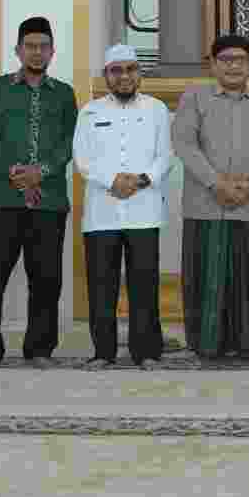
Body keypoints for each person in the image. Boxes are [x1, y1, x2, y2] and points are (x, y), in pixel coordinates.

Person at [0, 17, 78, 370]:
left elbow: (69, 143)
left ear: (52, 51)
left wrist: (41, 172)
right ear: (18, 50)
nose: (37, 52)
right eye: (30, 45)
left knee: (46, 280)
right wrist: (15, 172)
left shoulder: (63, 93)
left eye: (43, 46)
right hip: (2, 198)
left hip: (50, 203)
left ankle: (40, 349)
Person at [173, 34, 249, 365]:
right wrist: (216, 183)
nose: (233, 65)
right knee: (205, 276)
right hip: (204, 204)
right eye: (225, 59)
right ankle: (207, 344)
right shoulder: (194, 99)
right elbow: (185, 144)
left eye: (240, 59)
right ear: (212, 64)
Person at [73, 44, 171, 369]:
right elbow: (82, 160)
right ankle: (104, 352)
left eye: (131, 69)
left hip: (144, 210)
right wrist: (113, 180)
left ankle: (147, 352)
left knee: (144, 286)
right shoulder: (90, 112)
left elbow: (165, 156)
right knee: (102, 287)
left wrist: (141, 181)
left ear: (139, 74)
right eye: (117, 70)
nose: (125, 76)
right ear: (106, 76)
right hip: (102, 212)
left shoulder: (157, 109)